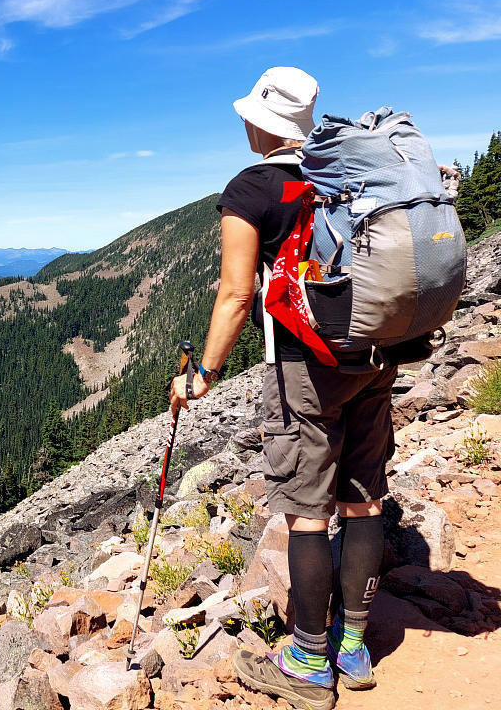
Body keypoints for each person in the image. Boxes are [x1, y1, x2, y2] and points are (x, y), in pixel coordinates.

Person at [169, 67, 394, 710]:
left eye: (248, 115)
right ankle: (352, 644)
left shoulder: (254, 187)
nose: (244, 124)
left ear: (263, 122)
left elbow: (238, 293)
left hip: (306, 364)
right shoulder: (342, 175)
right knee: (365, 498)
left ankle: (304, 652)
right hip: (374, 353)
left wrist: (204, 373)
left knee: (306, 506)